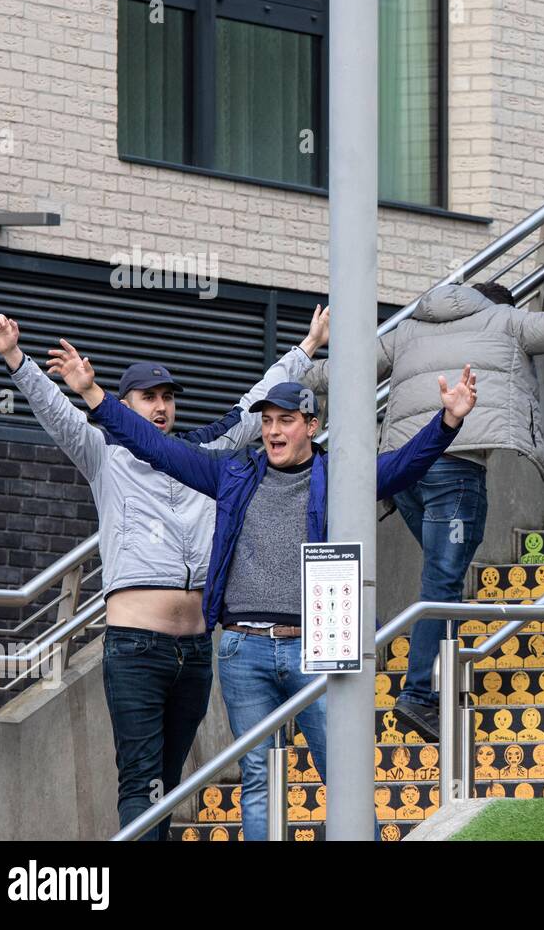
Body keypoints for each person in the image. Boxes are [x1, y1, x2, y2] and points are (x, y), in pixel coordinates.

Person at [49, 338, 477, 840]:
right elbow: (156, 447)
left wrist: (447, 423)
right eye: (267, 421)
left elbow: (402, 466)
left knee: (343, 773)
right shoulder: (232, 473)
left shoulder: (336, 476)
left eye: (285, 421)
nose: (273, 431)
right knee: (257, 779)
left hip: (314, 649)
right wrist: (95, 396)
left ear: (311, 427)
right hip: (242, 651)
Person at [0, 306, 329, 840]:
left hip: (195, 650)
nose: (161, 407)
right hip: (135, 646)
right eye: (149, 397)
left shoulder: (205, 452)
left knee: (170, 782)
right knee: (142, 781)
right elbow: (58, 412)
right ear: (125, 404)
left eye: (168, 398)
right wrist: (14, 357)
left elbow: (256, 400)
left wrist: (305, 349)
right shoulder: (104, 451)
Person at [302, 281, 544, 742]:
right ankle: (418, 694)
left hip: (402, 471)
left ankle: (440, 682)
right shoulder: (502, 320)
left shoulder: (408, 331)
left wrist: (299, 356)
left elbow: (341, 373)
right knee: (441, 583)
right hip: (455, 466)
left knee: (443, 579)